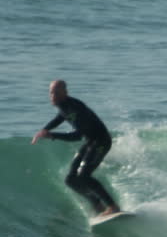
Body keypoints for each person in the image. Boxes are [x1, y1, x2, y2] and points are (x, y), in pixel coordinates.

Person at [31, 79, 121, 216]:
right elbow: (60, 117)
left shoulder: (75, 108)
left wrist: (52, 135)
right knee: (70, 180)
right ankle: (98, 205)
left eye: (56, 93)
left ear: (65, 93)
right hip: (90, 141)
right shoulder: (63, 105)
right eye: (51, 93)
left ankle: (112, 206)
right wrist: (44, 130)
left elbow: (77, 136)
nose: (53, 96)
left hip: (101, 141)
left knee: (84, 175)